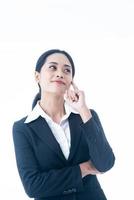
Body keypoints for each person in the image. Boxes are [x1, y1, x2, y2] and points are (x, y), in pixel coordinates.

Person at [12, 49, 115, 200]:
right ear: (37, 76)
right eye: (52, 67)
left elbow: (105, 163)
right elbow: (33, 186)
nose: (60, 73)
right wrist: (84, 169)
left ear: (71, 79)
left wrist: (83, 109)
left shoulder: (86, 116)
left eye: (67, 70)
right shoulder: (23, 128)